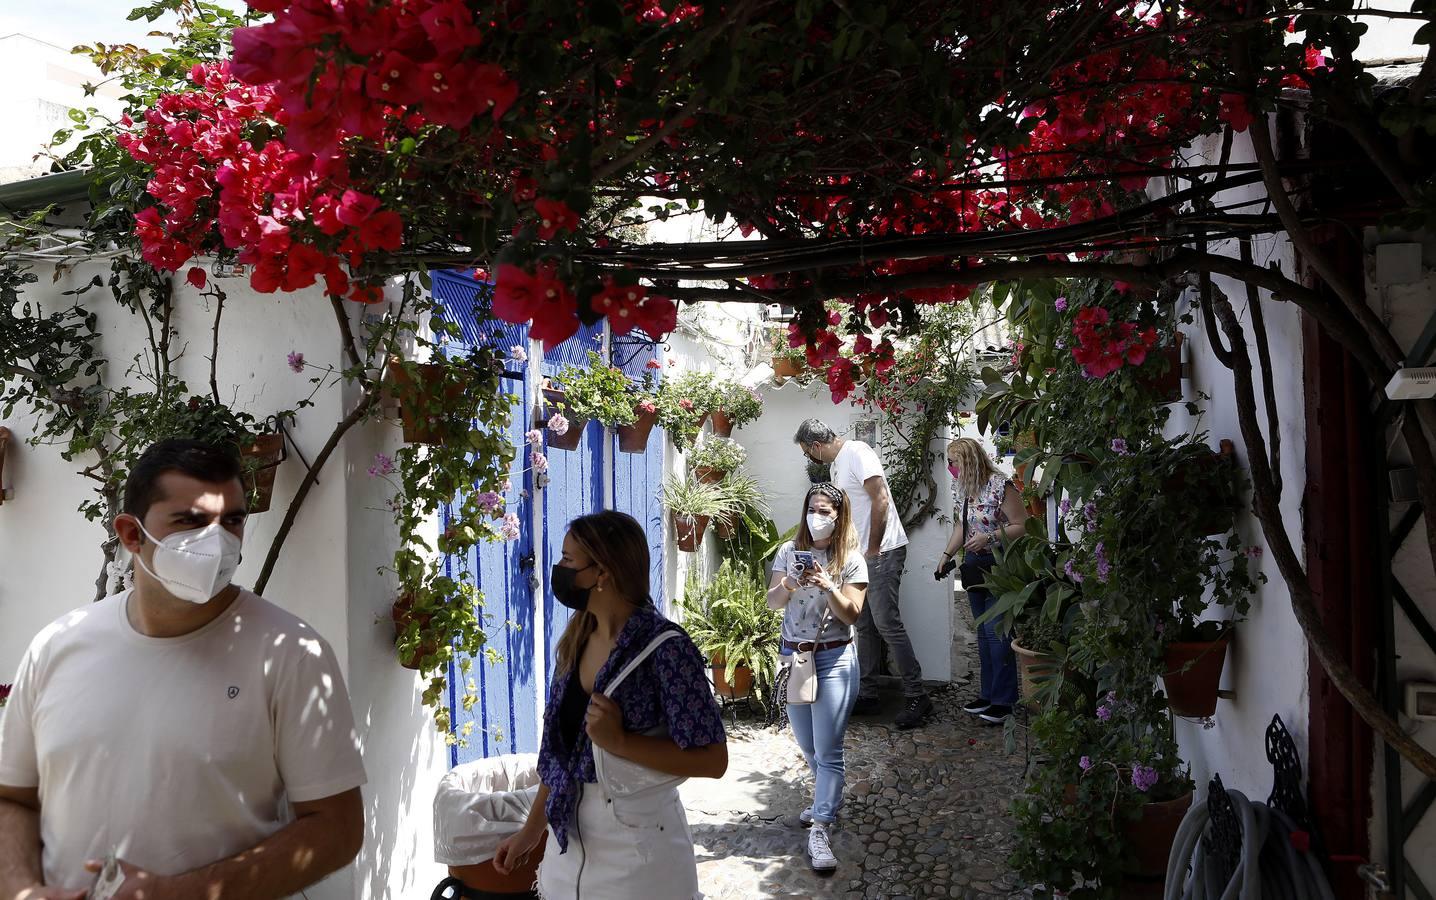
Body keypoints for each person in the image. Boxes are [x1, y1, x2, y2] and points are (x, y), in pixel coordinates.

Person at [0, 439, 366, 900]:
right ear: (132, 535)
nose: (218, 541)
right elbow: (11, 798)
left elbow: (337, 830)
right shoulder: (57, 646)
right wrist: (20, 890)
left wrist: (187, 893)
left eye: (232, 520)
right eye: (190, 521)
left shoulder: (292, 653)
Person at [492, 511, 727, 899]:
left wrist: (620, 742)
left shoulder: (666, 650)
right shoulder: (576, 639)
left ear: (603, 573)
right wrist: (532, 830)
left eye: (569, 560)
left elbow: (713, 760)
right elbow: (560, 755)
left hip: (640, 860)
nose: (560, 569)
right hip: (565, 856)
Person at [793, 419, 931, 729]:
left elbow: (880, 498)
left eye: (807, 452)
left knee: (886, 622)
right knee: (863, 624)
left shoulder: (857, 452)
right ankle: (868, 692)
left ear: (815, 446)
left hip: (881, 551)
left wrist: (872, 548)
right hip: (859, 556)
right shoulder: (835, 468)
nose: (809, 458)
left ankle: (916, 694)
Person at [766, 483, 868, 875]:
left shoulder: (851, 560)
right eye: (812, 508)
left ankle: (821, 827)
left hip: (835, 659)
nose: (817, 515)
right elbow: (773, 601)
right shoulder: (789, 552)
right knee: (809, 746)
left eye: (825, 510)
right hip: (796, 659)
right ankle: (828, 796)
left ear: (839, 516)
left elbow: (852, 615)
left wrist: (828, 586)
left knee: (829, 751)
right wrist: (790, 582)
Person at [937, 437, 1031, 724]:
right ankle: (989, 695)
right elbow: (961, 526)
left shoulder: (1000, 485)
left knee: (997, 632)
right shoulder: (963, 488)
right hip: (975, 566)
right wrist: (946, 555)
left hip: (1001, 567)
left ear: (968, 460)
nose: (950, 468)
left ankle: (1004, 702)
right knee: (983, 634)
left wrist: (989, 537)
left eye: (953, 462)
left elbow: (1023, 525)